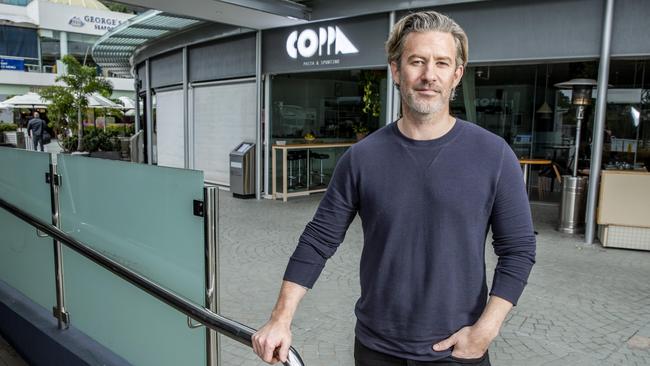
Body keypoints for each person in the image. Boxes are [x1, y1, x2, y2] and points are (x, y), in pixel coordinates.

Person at [253, 11, 536, 366]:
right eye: (417, 61)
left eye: (442, 63)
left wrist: (485, 330)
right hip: (376, 350)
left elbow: (519, 249)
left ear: (457, 75)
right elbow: (318, 239)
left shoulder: (493, 155)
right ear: (396, 70)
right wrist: (280, 318)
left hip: (458, 352)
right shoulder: (362, 158)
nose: (429, 75)